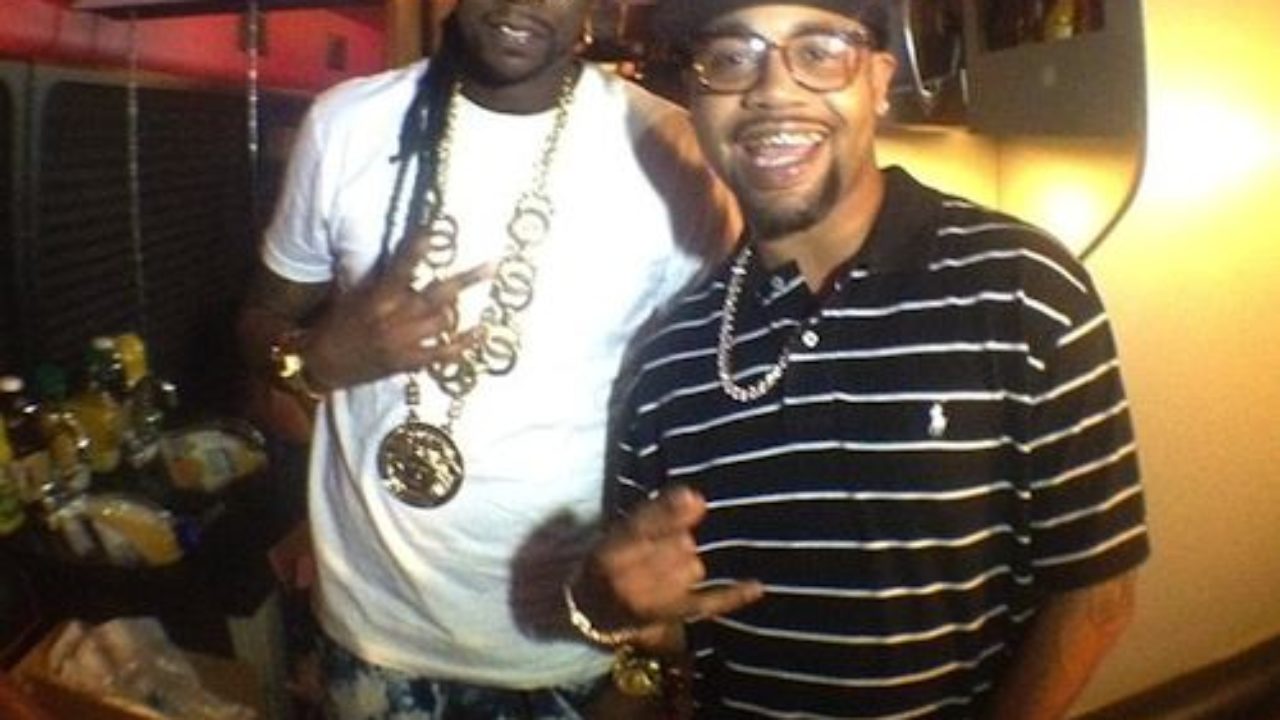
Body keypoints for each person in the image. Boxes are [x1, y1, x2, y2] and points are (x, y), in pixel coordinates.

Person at [566, 0, 1149, 717]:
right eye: (731, 58)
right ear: (695, 98)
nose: (772, 89)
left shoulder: (1022, 287)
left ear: (878, 81)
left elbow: (1095, 593)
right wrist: (604, 606)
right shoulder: (667, 362)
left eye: (817, 52)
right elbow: (661, 637)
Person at [236, 0, 738, 715]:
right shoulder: (345, 123)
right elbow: (259, 317)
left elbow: (710, 407)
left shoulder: (675, 151)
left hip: (574, 641)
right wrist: (313, 359)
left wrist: (653, 656)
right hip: (372, 631)